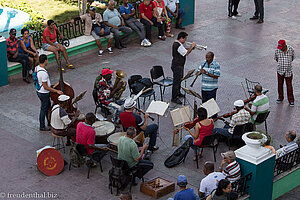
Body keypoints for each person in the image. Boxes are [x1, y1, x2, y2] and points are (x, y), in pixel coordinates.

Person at [35, 54, 63, 131]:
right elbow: (45, 86)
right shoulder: (43, 73)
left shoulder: (37, 68)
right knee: (44, 109)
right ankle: (42, 126)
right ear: (45, 60)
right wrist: (56, 91)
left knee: (47, 107)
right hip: (44, 93)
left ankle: (49, 122)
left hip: (39, 91)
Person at [171, 32, 196, 104]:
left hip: (179, 65)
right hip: (177, 66)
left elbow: (184, 50)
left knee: (179, 80)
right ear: (181, 38)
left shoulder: (178, 44)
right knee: (176, 82)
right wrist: (192, 46)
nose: (185, 40)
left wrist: (191, 48)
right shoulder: (177, 45)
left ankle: (178, 93)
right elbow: (186, 53)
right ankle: (174, 97)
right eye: (185, 39)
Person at [274, 39, 295, 106]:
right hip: (280, 70)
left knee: (289, 85)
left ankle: (291, 100)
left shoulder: (291, 49)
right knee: (280, 85)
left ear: (285, 46)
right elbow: (276, 58)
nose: (281, 49)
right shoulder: (277, 50)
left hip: (288, 71)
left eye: (282, 47)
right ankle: (280, 98)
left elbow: (293, 57)